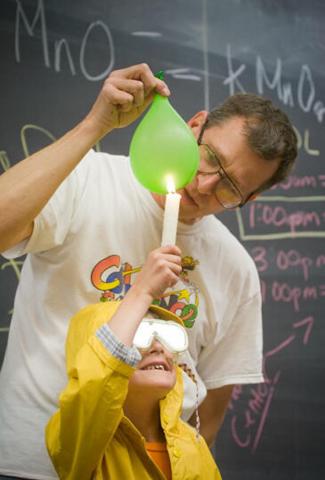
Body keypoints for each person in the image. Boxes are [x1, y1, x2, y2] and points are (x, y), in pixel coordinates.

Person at [0, 63, 297, 480]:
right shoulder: (89, 178)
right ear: (195, 125)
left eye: (231, 186)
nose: (205, 185)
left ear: (253, 197)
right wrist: (94, 126)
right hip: (31, 464)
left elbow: (209, 412)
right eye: (211, 157)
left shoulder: (236, 270)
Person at [45, 244, 221, 480]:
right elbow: (96, 381)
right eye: (138, 334)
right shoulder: (78, 440)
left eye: (166, 335)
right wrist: (143, 291)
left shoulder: (193, 446)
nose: (158, 347)